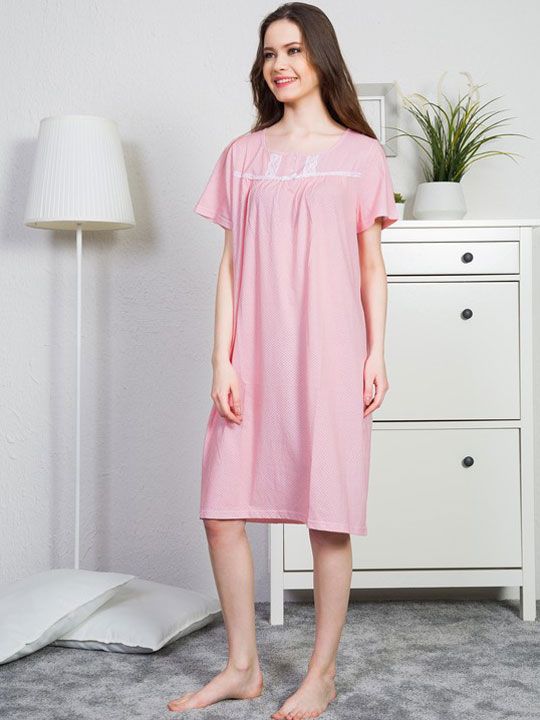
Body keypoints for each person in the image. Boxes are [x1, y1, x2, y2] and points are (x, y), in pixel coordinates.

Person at [167, 2, 398, 717]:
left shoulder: (361, 155)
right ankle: (243, 666)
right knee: (221, 512)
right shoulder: (243, 155)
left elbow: (371, 266)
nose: (280, 65)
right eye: (270, 53)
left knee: (327, 516)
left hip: (330, 353)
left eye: (294, 50)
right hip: (253, 357)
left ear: (320, 57)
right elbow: (231, 266)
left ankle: (321, 674)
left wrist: (376, 352)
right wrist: (221, 359)